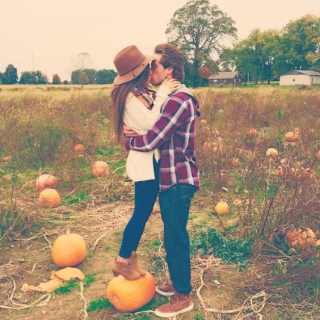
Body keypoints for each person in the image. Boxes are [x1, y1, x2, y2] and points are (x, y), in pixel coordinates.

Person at [124, 43, 200, 318]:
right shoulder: (167, 96)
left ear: (169, 70)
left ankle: (183, 296)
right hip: (170, 177)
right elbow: (154, 128)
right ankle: (178, 283)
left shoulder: (180, 100)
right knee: (172, 234)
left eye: (153, 64)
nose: (149, 69)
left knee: (175, 238)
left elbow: (155, 137)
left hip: (179, 178)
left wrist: (131, 139)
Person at [111, 45, 180, 281]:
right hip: (145, 162)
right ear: (139, 72)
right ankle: (122, 260)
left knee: (143, 211)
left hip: (150, 160)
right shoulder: (131, 97)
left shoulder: (141, 92)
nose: (152, 69)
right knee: (141, 212)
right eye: (148, 67)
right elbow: (152, 123)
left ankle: (131, 260)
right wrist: (162, 93)